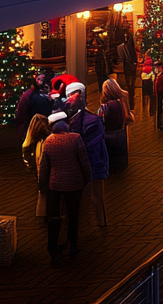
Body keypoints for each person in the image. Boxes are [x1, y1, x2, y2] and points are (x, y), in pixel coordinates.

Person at [38, 115, 90, 262]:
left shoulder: (48, 141)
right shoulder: (76, 138)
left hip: (55, 184)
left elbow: (44, 167)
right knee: (73, 216)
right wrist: (86, 179)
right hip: (74, 183)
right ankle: (72, 244)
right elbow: (84, 163)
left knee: (54, 218)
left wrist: (43, 186)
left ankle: (53, 248)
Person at [63, 82, 109, 227]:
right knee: (97, 196)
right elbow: (101, 146)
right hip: (94, 164)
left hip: (75, 165)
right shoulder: (94, 120)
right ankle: (101, 222)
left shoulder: (66, 122)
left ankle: (77, 225)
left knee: (77, 197)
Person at [21, 112, 51, 229]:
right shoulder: (44, 141)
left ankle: (41, 218)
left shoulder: (28, 143)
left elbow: (27, 160)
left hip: (37, 172)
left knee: (41, 194)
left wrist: (33, 169)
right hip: (44, 172)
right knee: (45, 195)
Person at [97, 78, 133, 175]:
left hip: (108, 135)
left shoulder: (106, 106)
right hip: (120, 132)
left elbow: (100, 120)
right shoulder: (121, 102)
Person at [15, 68, 55, 139]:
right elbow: (21, 118)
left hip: (52, 133)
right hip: (34, 134)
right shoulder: (29, 96)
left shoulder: (54, 94)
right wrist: (24, 135)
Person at [152, 60, 163, 130]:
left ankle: (162, 123)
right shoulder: (160, 75)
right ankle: (160, 123)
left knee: (162, 108)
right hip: (159, 94)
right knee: (160, 108)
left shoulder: (162, 76)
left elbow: (162, 86)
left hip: (162, 94)